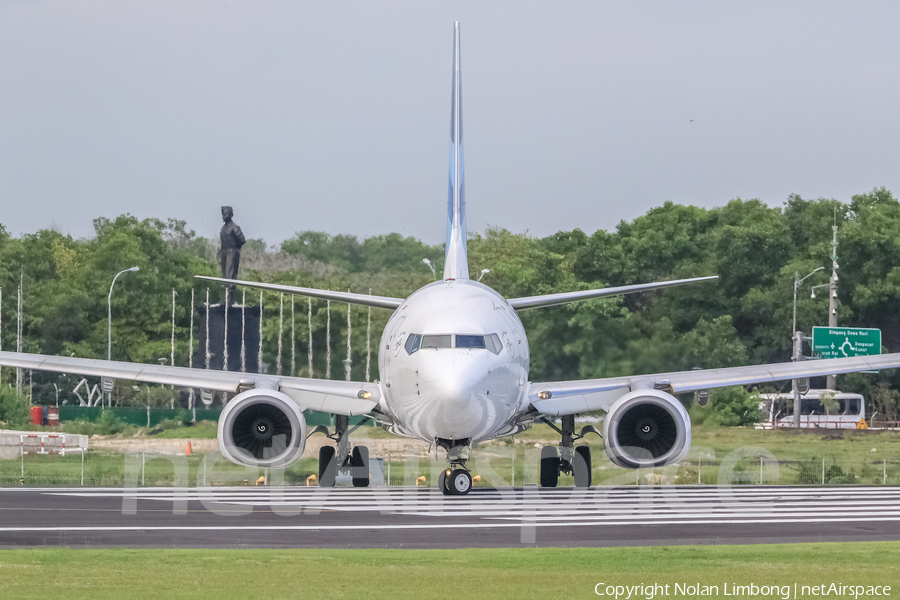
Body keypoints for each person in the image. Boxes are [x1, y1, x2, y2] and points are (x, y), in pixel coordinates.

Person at [219, 206, 246, 281]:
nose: (223, 217)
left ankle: (231, 289)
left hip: (232, 251)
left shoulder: (235, 227)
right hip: (224, 251)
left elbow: (242, 240)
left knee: (230, 273)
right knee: (224, 273)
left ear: (230, 215)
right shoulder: (223, 228)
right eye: (222, 214)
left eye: (225, 214)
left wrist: (235, 248)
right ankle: (226, 289)